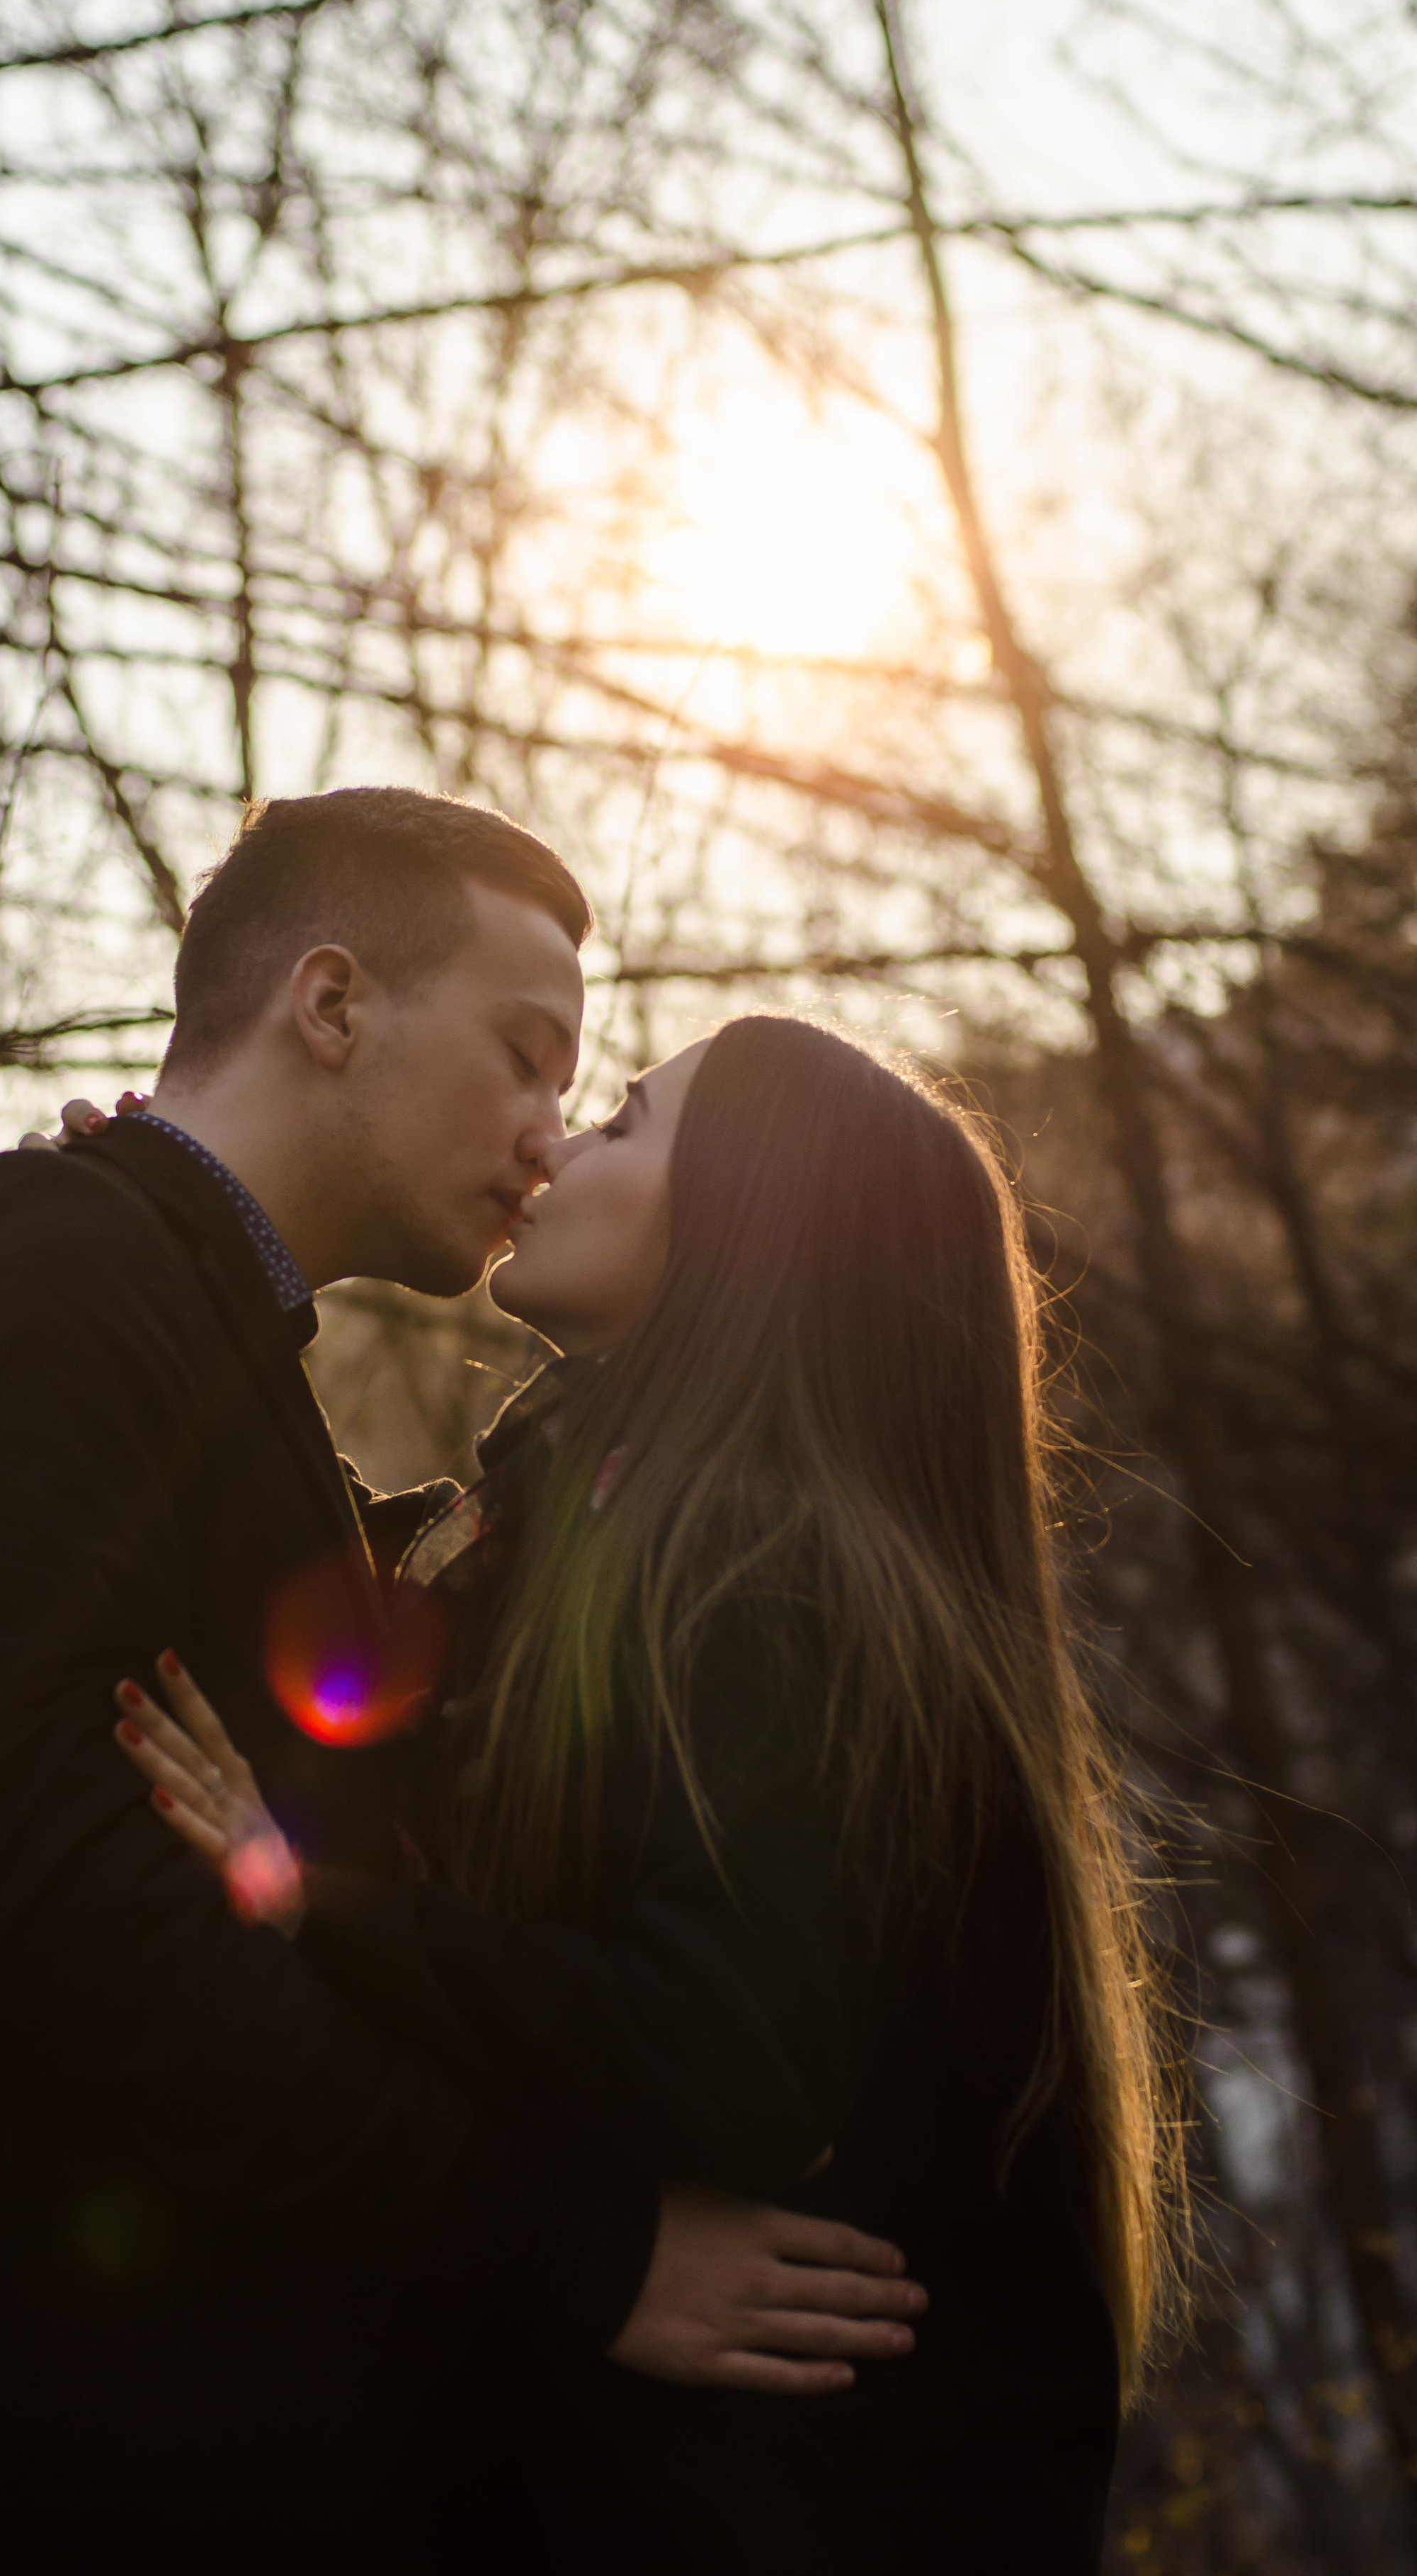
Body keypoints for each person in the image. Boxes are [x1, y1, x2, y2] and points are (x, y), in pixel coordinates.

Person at [0, 793, 925, 2576]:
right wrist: (573, 2255)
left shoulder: (182, 1316)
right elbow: (83, 1930)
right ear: (332, 1002)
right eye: (525, 1057)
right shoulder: (57, 1274)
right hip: (52, 2472)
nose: (545, 1136)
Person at [103, 1013, 1188, 2572]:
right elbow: (321, 1598)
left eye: (619, 1121)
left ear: (744, 1226)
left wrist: (316, 1910)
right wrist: (174, 1230)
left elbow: (720, 2054)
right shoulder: (594, 1538)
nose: (554, 1143)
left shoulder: (773, 1585)